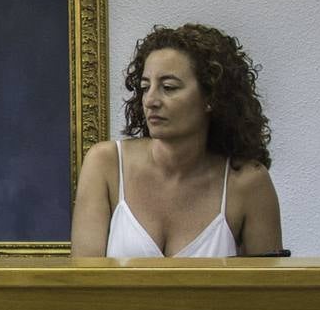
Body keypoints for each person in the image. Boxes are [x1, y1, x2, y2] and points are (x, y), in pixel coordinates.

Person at [71, 24, 283, 258]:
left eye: (168, 87)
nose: (150, 100)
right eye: (145, 87)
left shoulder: (248, 183)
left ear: (211, 97)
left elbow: (269, 291)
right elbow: (83, 286)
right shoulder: (105, 164)